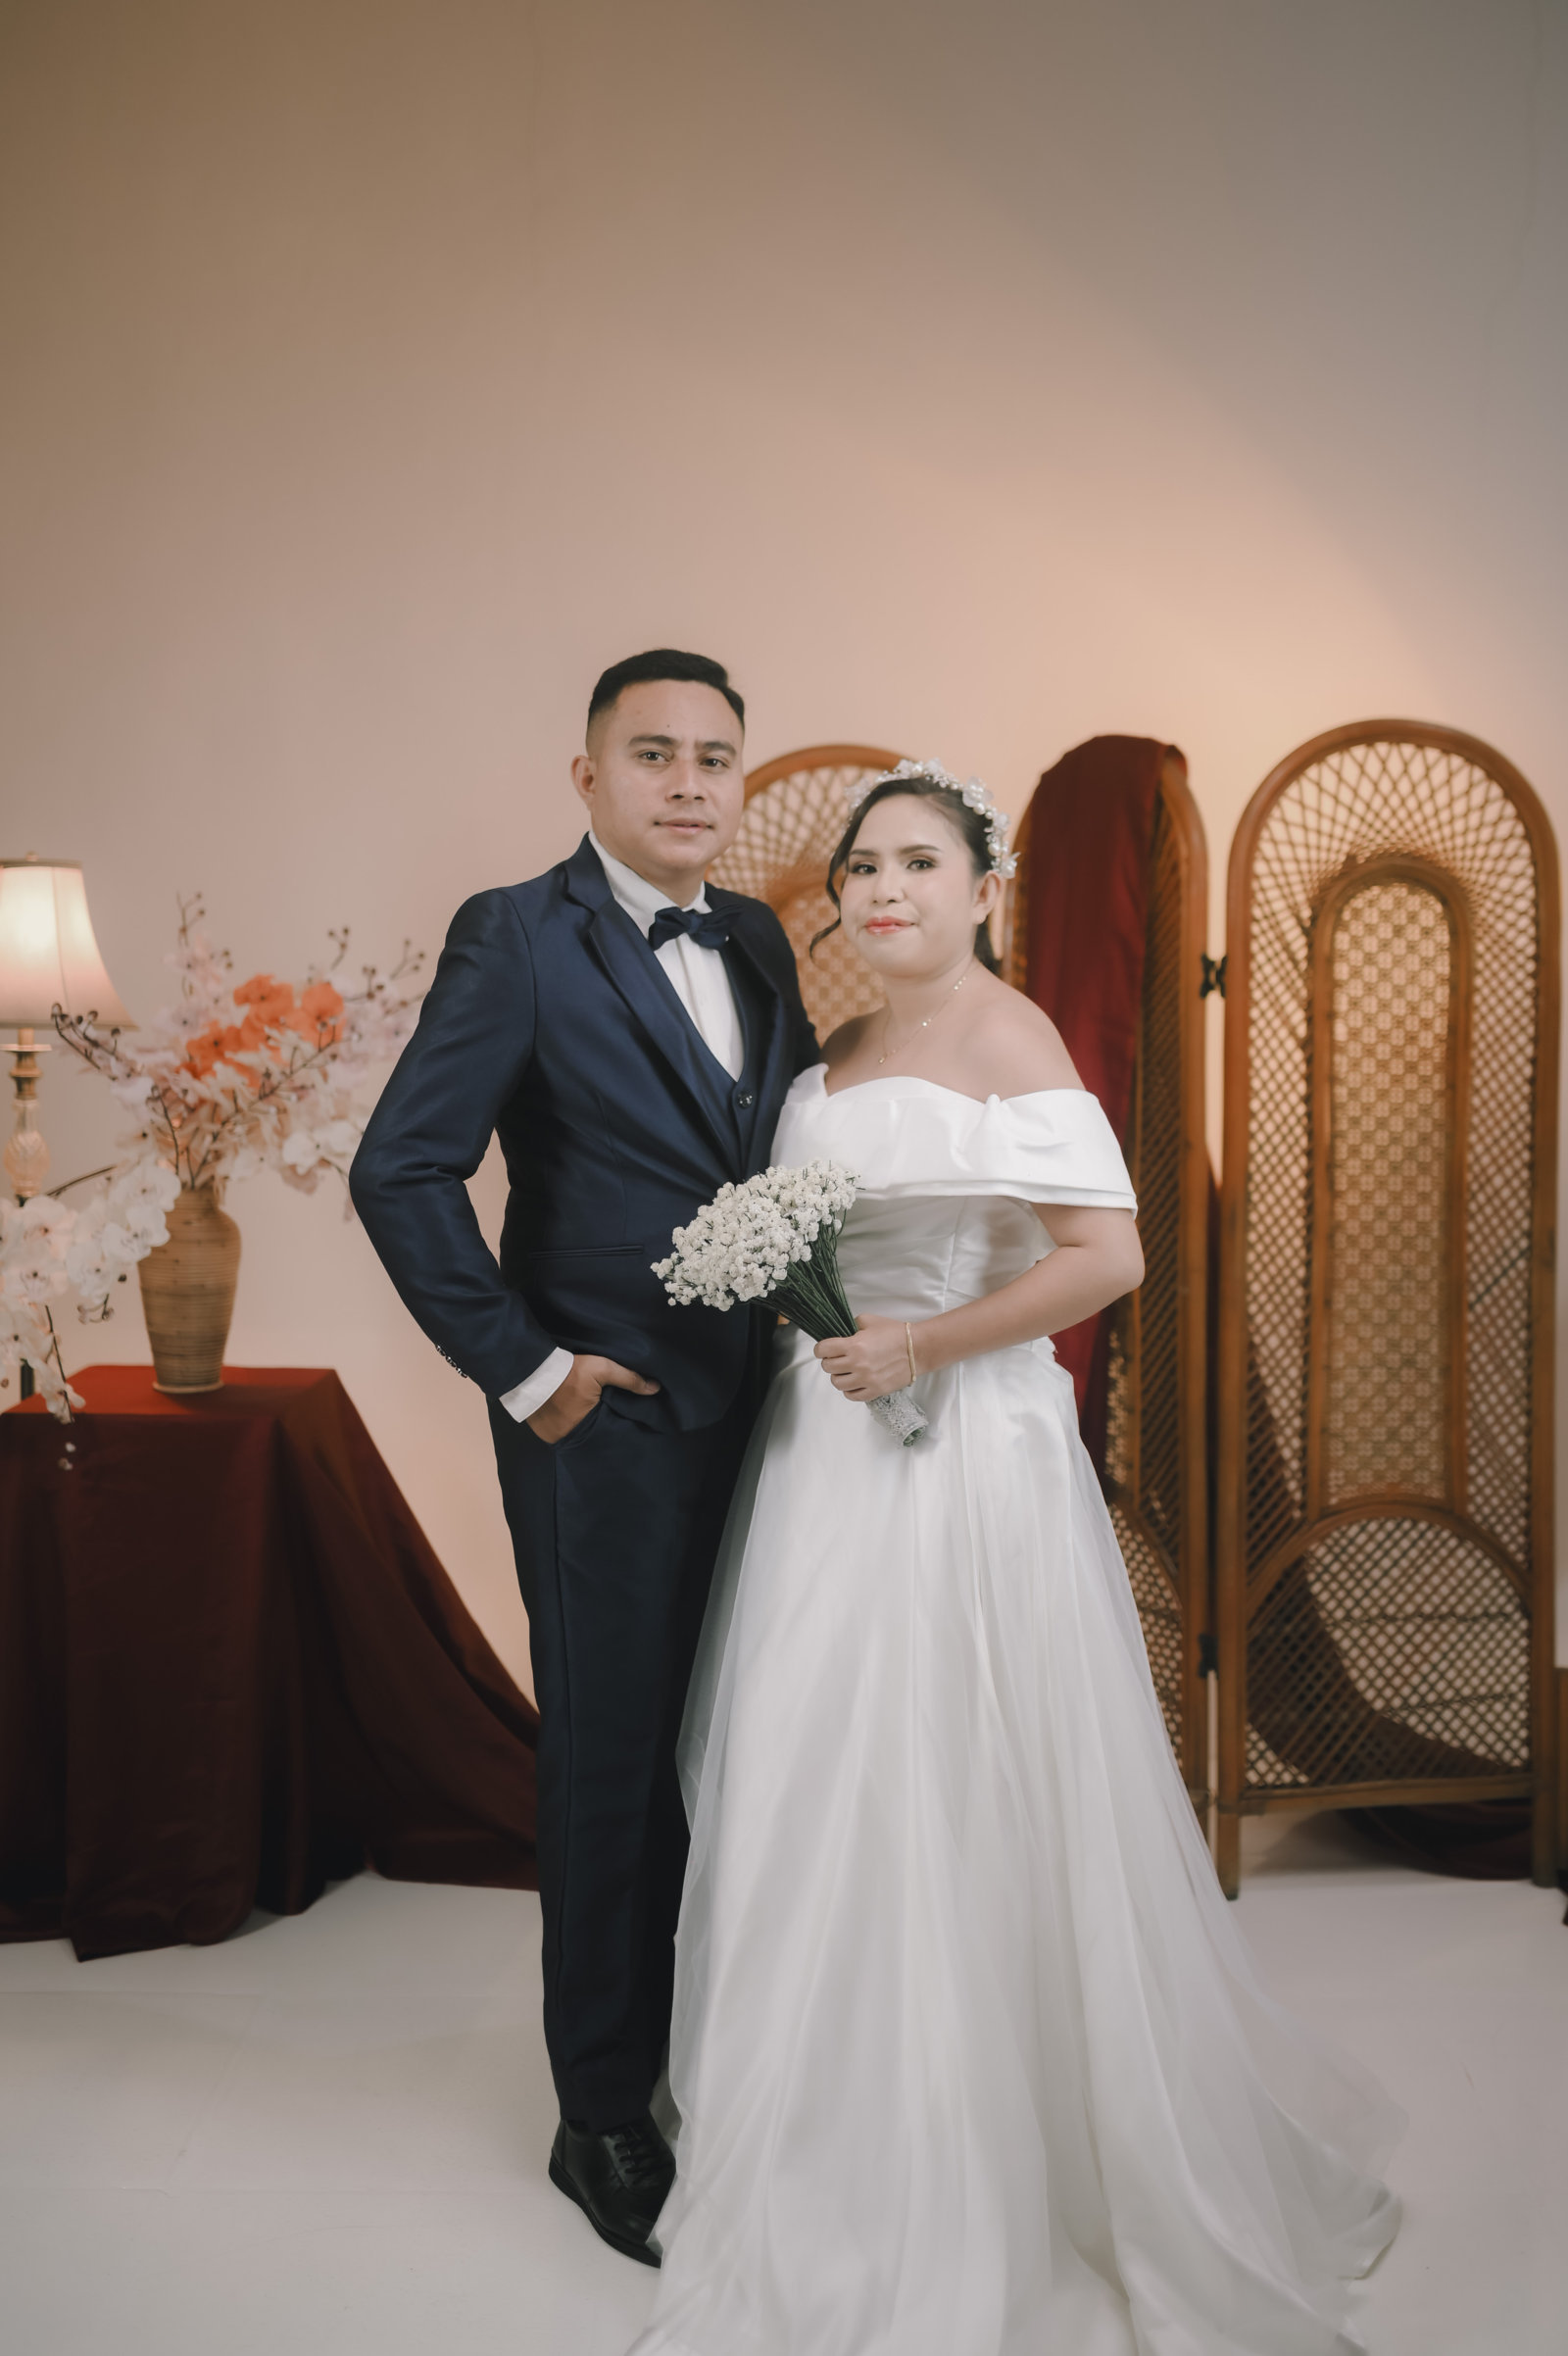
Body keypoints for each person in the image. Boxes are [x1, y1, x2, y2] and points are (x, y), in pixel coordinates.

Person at [631, 761, 1401, 2356]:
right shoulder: (833, 1053)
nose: (884, 889)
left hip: (964, 1447)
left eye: (920, 862)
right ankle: (824, 2128)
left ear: (985, 891)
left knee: (961, 1769)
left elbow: (1106, 1257)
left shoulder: (1014, 1040)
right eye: (863, 867)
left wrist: (923, 1345)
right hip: (825, 1452)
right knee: (817, 1763)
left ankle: (985, 2145)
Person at [350, 651, 817, 2267]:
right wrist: (530, 1372)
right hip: (600, 1425)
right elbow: (401, 1170)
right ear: (588, 776)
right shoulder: (516, 934)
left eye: (715, 758)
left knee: (729, 1743)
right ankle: (600, 2110)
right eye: (654, 754)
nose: (689, 784)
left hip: (766, 1414)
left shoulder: (757, 936)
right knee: (609, 1759)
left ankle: (718, 2051)